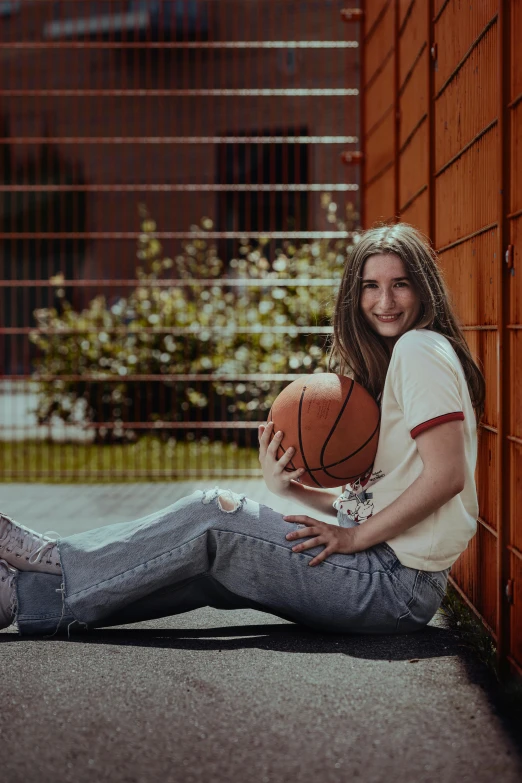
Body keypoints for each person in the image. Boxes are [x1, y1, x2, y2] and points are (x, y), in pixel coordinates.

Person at [0, 223, 485, 637]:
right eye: (370, 286)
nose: (384, 301)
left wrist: (354, 540)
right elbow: (373, 503)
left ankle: (54, 556)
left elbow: (446, 477)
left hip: (392, 583)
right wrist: (288, 489)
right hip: (384, 573)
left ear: (424, 288)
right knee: (206, 567)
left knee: (215, 513)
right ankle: (21, 600)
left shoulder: (419, 349)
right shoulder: (399, 362)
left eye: (400, 284)